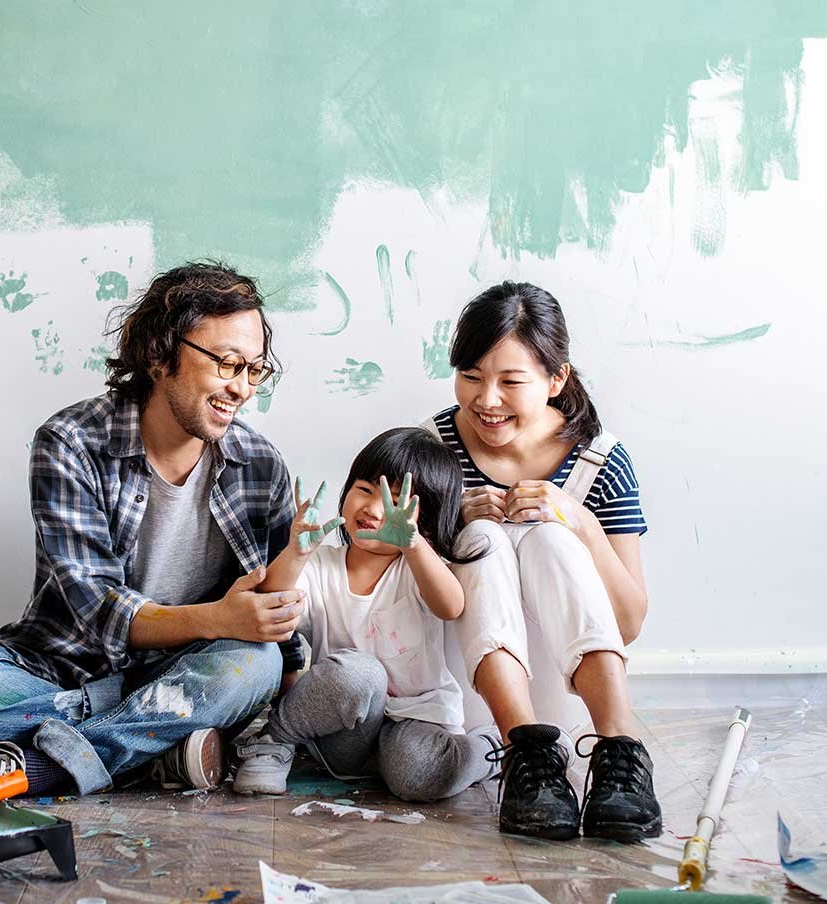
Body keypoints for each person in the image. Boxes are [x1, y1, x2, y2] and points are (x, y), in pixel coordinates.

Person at [0, 261, 304, 798]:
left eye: (255, 370)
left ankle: (46, 765)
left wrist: (274, 641)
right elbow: (96, 605)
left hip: (186, 670)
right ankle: (152, 748)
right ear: (160, 354)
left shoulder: (259, 466)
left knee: (254, 663)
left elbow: (268, 616)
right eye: (228, 364)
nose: (242, 389)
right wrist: (215, 618)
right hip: (68, 671)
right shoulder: (70, 443)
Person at [424, 281, 660, 842]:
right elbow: (396, 585)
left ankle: (620, 747)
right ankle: (526, 754)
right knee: (482, 535)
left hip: (571, 692)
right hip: (469, 698)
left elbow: (628, 621)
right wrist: (446, 524)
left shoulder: (600, 458)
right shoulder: (435, 447)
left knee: (553, 539)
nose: (486, 400)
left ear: (557, 379)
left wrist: (577, 520)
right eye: (472, 376)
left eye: (511, 381)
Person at [229, 428, 499, 802]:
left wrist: (414, 546)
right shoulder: (324, 565)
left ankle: (489, 750)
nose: (372, 509)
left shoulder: (417, 567)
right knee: (358, 673)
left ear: (426, 515)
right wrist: (296, 553)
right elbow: (271, 602)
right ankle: (274, 740)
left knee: (421, 776)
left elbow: (450, 606)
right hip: (347, 731)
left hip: (417, 722)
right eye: (365, 490)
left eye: (393, 503)